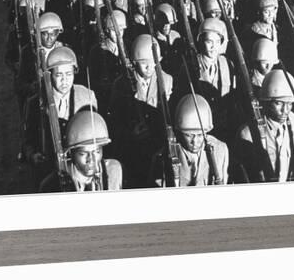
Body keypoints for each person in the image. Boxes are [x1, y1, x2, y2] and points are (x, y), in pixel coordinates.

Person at [110, 34, 173, 188]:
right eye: (144, 63)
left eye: (153, 62)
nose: (149, 67)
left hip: (159, 142)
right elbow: (115, 120)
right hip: (133, 147)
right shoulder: (121, 84)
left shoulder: (167, 80)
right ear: (134, 62)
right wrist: (130, 132)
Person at [235, 69, 294, 183]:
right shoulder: (248, 133)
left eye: (289, 103)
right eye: (278, 103)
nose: (285, 110)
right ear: (266, 102)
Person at [151, 94, 229, 186]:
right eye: (189, 135)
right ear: (180, 132)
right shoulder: (164, 157)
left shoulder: (220, 150)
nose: (195, 142)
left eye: (200, 135)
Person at [39, 111, 122, 192]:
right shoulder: (52, 184)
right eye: (83, 153)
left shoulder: (113, 171)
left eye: (96, 152)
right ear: (71, 153)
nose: (91, 159)